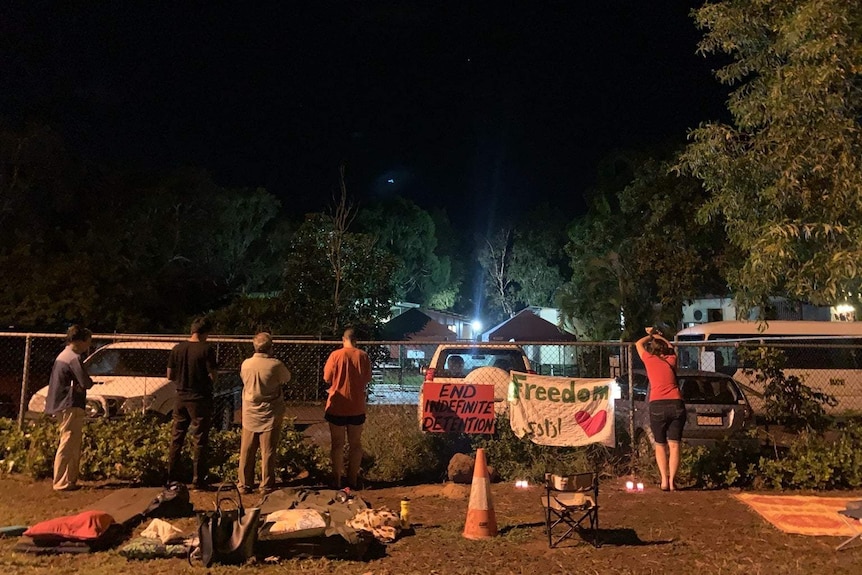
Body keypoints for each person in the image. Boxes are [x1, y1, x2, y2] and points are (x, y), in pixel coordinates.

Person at [166, 316, 218, 490]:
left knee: (177, 438)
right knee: (200, 439)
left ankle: (172, 478)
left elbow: (169, 375)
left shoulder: (177, 349)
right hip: (199, 399)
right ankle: (199, 479)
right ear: (205, 333)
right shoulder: (207, 350)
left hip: (180, 397)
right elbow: (212, 375)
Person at [238, 332, 291, 494]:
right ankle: (266, 484)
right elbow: (286, 379)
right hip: (270, 412)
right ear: (270, 347)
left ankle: (244, 484)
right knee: (268, 451)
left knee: (246, 450)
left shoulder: (246, 364)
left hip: (250, 412)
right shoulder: (275, 365)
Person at [635, 325, 685, 492]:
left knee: (660, 444)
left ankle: (664, 480)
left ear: (653, 349)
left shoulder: (650, 360)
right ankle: (673, 482)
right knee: (675, 445)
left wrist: (650, 335)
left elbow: (637, 344)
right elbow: (670, 347)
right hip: (676, 403)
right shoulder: (672, 360)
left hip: (657, 404)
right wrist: (660, 337)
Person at [45, 325, 94, 491]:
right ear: (80, 341)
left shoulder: (63, 356)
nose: (89, 345)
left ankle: (69, 479)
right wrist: (86, 384)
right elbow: (86, 382)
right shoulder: (73, 358)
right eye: (88, 341)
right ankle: (61, 481)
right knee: (68, 440)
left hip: (61, 403)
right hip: (70, 403)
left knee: (70, 440)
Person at [323, 328, 372, 489]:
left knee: (337, 444)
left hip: (337, 406)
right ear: (355, 340)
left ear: (343, 339)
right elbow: (366, 378)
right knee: (355, 444)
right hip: (357, 406)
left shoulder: (335, 355)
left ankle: (336, 479)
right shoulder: (363, 356)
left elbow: (327, 377)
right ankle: (352, 480)